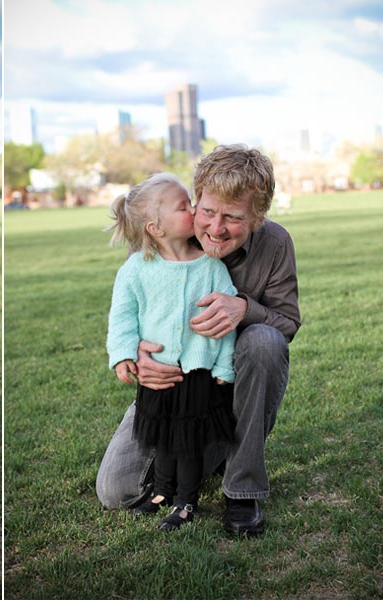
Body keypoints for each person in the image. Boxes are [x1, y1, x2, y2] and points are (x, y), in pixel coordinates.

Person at [96, 144, 301, 535]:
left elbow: (288, 321)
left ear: (258, 217)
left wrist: (245, 308)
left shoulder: (275, 245)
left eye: (234, 217)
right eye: (207, 211)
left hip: (233, 384)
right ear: (194, 201)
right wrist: (136, 351)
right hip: (172, 392)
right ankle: (216, 450)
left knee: (264, 341)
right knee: (116, 490)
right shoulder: (161, 244)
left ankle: (241, 489)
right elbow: (129, 310)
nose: (215, 228)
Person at [106, 173, 237, 531]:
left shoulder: (212, 267)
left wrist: (225, 365)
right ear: (156, 228)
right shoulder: (136, 269)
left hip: (196, 372)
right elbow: (122, 316)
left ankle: (186, 501)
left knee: (188, 440)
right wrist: (122, 354)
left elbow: (225, 325)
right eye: (184, 207)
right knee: (162, 434)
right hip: (156, 375)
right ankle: (162, 491)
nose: (194, 211)